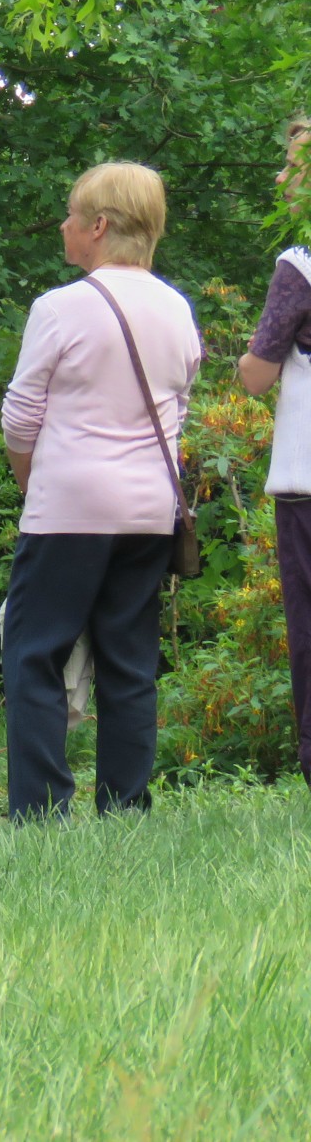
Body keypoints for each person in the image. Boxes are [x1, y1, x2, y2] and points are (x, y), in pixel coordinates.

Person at [1, 162, 201, 818]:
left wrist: (36, 487)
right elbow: (180, 413)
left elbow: (21, 415)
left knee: (36, 653)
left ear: (99, 226)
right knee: (130, 662)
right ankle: (123, 807)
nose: (63, 225)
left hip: (69, 509)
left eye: (70, 214)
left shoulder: (61, 308)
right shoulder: (177, 308)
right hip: (149, 514)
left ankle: (40, 809)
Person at [239, 116, 311, 787]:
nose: (283, 179)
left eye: (294, 166)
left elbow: (257, 373)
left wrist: (251, 359)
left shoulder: (299, 266)